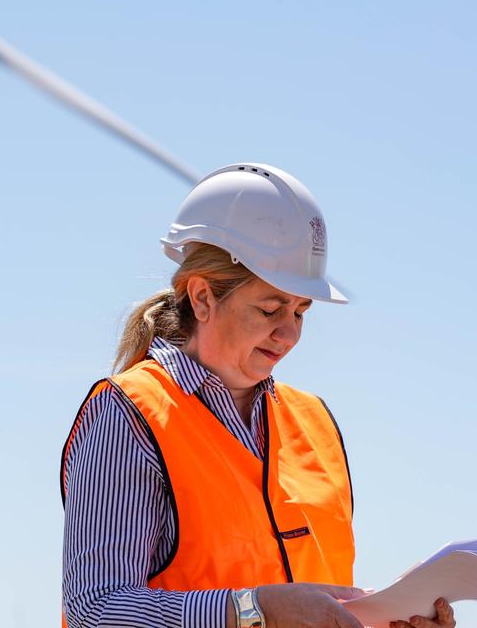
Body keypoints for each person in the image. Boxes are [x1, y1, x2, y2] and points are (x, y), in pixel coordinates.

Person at [60, 164, 456, 628]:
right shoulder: (129, 414)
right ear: (203, 297)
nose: (288, 334)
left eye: (301, 312)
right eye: (270, 308)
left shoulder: (315, 422)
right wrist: (253, 612)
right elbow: (96, 610)